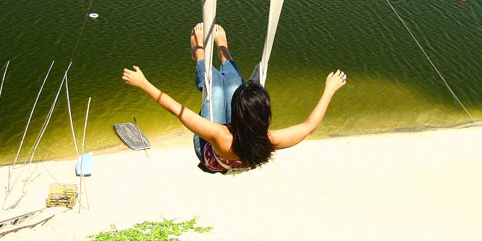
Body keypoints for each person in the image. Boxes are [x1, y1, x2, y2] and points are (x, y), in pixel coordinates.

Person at [121, 22, 347, 173]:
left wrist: (144, 84)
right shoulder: (268, 140)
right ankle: (223, 49)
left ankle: (199, 52)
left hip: (212, 153)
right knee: (232, 83)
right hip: (242, 147)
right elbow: (309, 126)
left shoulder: (220, 134)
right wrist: (329, 90)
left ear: (236, 111)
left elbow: (177, 109)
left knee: (215, 87)